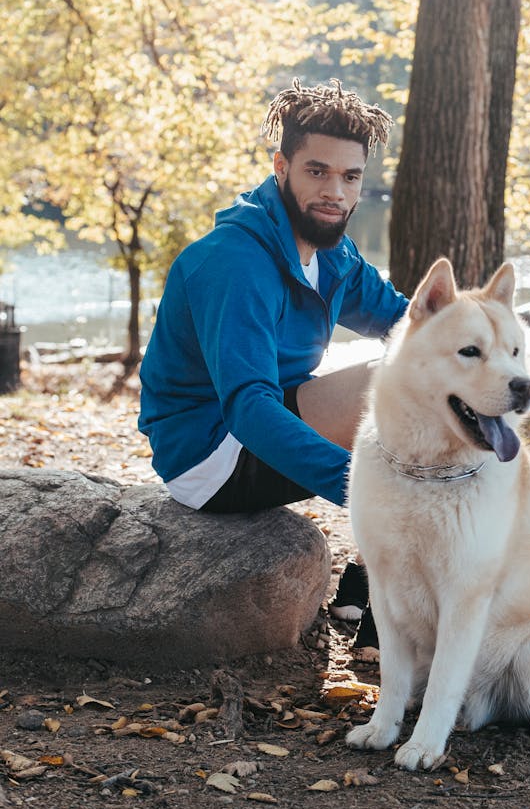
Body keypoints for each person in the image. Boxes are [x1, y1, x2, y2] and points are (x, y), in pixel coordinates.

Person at [138, 79, 408, 650]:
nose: (335, 191)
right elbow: (248, 408)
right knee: (403, 381)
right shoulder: (236, 262)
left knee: (430, 362)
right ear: (282, 166)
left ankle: (367, 584)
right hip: (211, 454)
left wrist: (484, 341)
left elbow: (408, 324)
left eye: (350, 176)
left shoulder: (332, 250)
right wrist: (362, 488)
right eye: (317, 171)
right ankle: (395, 605)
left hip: (263, 428)